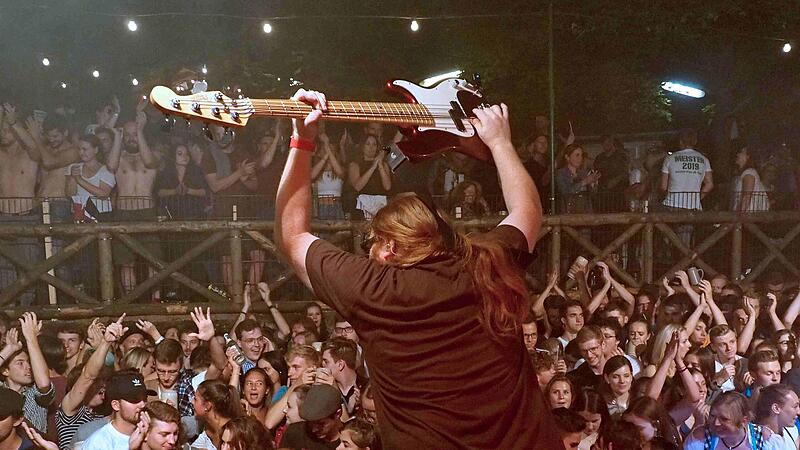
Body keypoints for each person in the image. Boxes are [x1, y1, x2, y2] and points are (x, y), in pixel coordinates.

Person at [275, 90, 562, 448]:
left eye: (373, 243)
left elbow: (291, 236)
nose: (370, 253)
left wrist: (302, 140)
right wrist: (500, 142)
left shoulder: (374, 289)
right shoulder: (487, 263)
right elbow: (528, 210)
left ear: (390, 247)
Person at [106, 106, 163, 298]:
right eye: (127, 134)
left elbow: (149, 163)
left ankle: (156, 300)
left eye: (134, 134)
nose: (131, 138)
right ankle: (130, 300)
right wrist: (116, 137)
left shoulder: (152, 154)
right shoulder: (119, 156)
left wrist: (140, 131)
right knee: (126, 261)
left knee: (153, 260)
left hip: (147, 212)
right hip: (124, 213)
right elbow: (111, 166)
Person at [56, 316, 122, 449]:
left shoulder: (103, 415)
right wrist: (104, 343)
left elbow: (121, 384)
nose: (103, 386)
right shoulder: (70, 412)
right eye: (98, 382)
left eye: (104, 382)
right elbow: (88, 376)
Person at [0, 103, 42, 306]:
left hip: (26, 215)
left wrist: (14, 123)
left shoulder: (30, 154)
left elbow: (34, 147)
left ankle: (25, 310)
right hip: (3, 217)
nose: (3, 132)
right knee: (4, 267)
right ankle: (6, 309)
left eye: (5, 129)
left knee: (28, 267)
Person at [0, 313, 54, 434]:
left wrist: (31, 339)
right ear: (5, 370)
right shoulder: (1, 391)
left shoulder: (35, 393)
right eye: (20, 363)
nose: (28, 367)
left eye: (29, 362)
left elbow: (44, 384)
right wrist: (9, 349)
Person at [660, 128, 713, 247]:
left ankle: (668, 250)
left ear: (680, 141)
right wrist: (697, 197)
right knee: (686, 241)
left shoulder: (670, 158)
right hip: (693, 206)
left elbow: (663, 186)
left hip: (671, 205)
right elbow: (710, 184)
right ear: (695, 141)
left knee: (663, 231)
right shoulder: (704, 160)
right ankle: (686, 262)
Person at [684, 391, 784, 450]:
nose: (716, 423)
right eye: (713, 416)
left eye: (724, 419)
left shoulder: (765, 439)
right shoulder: (701, 438)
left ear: (744, 421)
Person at [81, 371, 154, 450]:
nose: (142, 404)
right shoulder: (99, 443)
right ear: (116, 405)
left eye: (144, 398)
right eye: (134, 399)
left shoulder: (153, 435)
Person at [347, 134, 391, 220]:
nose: (371, 147)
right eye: (368, 144)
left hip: (380, 205)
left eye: (374, 144)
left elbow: (387, 187)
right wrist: (373, 166)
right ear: (362, 146)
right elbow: (358, 186)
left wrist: (380, 165)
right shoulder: (354, 165)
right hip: (362, 207)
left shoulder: (384, 164)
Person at [190, 380, 243, 450]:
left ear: (207, 406)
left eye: (195, 399)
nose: (192, 402)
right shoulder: (207, 429)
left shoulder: (233, 432)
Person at [555, 143, 599, 214]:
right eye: (577, 155)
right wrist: (584, 182)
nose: (580, 158)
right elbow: (565, 190)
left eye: (581, 155)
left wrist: (593, 184)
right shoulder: (561, 173)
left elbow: (592, 194)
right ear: (567, 157)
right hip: (568, 211)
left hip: (585, 211)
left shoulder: (584, 173)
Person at [731, 147, 769, 213]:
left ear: (748, 157)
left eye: (741, 152)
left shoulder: (749, 173)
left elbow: (746, 197)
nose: (737, 155)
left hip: (748, 216)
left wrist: (738, 219)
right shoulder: (743, 174)